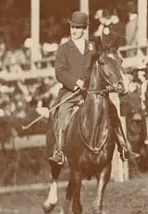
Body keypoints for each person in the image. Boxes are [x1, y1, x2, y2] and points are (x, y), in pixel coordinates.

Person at [49, 11, 137, 166]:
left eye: (78, 27)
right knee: (62, 112)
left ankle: (123, 147)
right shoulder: (64, 48)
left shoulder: (93, 47)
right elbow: (60, 72)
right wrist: (76, 82)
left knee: (112, 111)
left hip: (93, 92)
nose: (74, 30)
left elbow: (103, 66)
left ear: (84, 29)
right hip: (72, 91)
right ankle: (59, 151)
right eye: (73, 27)